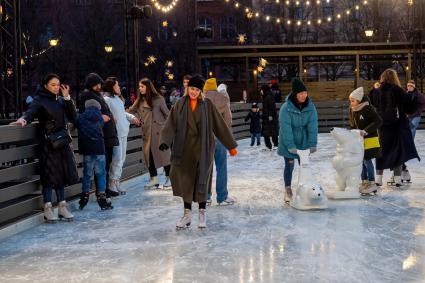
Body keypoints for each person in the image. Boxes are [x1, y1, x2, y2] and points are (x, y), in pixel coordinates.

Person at [159, 75, 238, 229]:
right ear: (187, 89)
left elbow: (219, 125)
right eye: (192, 89)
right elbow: (170, 124)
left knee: (203, 180)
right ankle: (187, 215)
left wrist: (230, 145)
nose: (194, 92)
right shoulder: (180, 104)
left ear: (201, 91)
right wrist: (164, 141)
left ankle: (202, 213)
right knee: (186, 181)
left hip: (203, 148)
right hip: (184, 149)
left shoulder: (207, 105)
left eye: (197, 89)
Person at [12, 74, 78, 222]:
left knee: (61, 174)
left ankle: (62, 206)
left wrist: (67, 98)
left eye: (58, 85)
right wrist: (23, 120)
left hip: (62, 142)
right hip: (48, 144)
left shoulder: (61, 100)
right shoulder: (40, 100)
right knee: (49, 175)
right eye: (53, 84)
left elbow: (73, 117)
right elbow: (30, 113)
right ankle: (47, 207)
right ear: (46, 85)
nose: (56, 87)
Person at [368, 69, 420, 187]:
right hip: (397, 125)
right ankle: (397, 179)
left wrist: (376, 88)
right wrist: (413, 96)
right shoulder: (397, 90)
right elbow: (410, 108)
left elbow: (372, 101)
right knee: (398, 150)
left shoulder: (376, 91)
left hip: (382, 126)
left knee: (381, 151)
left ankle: (379, 179)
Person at [277, 78, 318, 203]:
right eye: (301, 94)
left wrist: (312, 144)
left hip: (304, 142)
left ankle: (304, 188)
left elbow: (312, 126)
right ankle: (288, 189)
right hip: (288, 142)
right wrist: (290, 145)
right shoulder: (286, 108)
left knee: (304, 166)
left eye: (305, 93)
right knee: (289, 166)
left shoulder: (310, 107)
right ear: (295, 94)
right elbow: (286, 128)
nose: (304, 96)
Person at [79, 73, 119, 198]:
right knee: (102, 164)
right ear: (90, 85)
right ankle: (101, 190)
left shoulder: (96, 95)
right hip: (101, 133)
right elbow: (84, 113)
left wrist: (111, 117)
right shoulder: (87, 95)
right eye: (95, 84)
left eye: (99, 83)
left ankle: (105, 188)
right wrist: (101, 117)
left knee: (107, 162)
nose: (98, 86)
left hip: (107, 132)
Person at [128, 78, 171, 188]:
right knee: (149, 157)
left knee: (164, 156)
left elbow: (167, 115)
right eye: (139, 86)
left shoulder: (159, 99)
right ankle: (154, 179)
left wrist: (165, 129)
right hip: (147, 132)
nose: (140, 88)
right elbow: (130, 112)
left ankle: (169, 178)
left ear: (148, 87)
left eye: (142, 86)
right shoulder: (139, 101)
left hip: (159, 132)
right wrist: (134, 117)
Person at [103, 77, 140, 195]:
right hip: (116, 134)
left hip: (124, 132)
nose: (119, 87)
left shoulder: (118, 99)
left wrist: (131, 117)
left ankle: (117, 180)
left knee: (122, 159)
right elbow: (106, 113)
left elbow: (122, 113)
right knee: (117, 159)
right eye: (117, 85)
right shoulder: (107, 99)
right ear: (112, 87)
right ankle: (111, 183)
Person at [75, 99, 113, 210]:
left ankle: (85, 195)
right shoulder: (100, 117)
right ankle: (102, 196)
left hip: (87, 149)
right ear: (98, 107)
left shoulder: (80, 117)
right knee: (101, 173)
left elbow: (75, 121)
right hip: (99, 148)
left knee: (87, 173)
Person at [204, 79, 236, 206]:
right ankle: (222, 196)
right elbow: (228, 121)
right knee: (221, 167)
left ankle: (206, 197)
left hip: (205, 138)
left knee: (206, 168)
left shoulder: (200, 100)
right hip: (219, 137)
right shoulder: (223, 99)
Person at [348, 87, 383, 195]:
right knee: (360, 161)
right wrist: (351, 133)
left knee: (367, 160)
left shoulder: (367, 108)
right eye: (350, 101)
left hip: (369, 139)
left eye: (353, 101)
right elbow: (353, 125)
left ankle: (372, 182)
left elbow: (378, 121)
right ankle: (364, 181)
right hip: (359, 140)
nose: (351, 103)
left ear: (359, 100)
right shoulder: (353, 110)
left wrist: (365, 131)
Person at [261, 85, 279, 150]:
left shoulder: (268, 97)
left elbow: (272, 107)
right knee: (266, 133)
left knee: (273, 131)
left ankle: (276, 145)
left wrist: (270, 116)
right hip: (266, 118)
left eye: (261, 90)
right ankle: (268, 146)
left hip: (270, 118)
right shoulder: (266, 97)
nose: (261, 91)